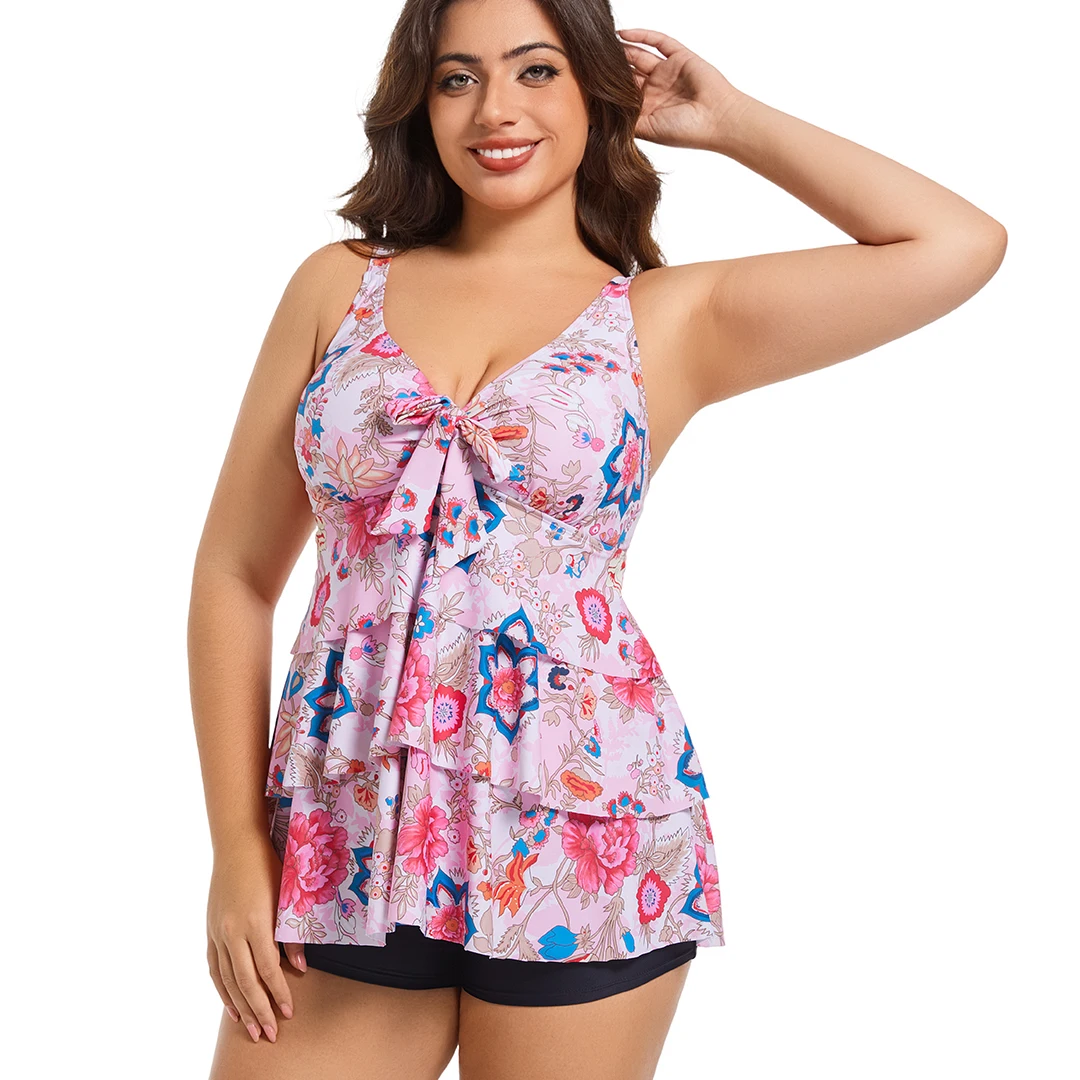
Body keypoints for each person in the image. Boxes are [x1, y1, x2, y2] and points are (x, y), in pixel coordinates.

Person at [189, 1, 1006, 1076]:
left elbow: (958, 244)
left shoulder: (668, 318)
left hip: (586, 830)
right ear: (418, 105)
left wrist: (733, 122)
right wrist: (237, 852)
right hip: (346, 830)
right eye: (457, 78)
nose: (496, 109)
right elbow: (235, 575)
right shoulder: (338, 285)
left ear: (593, 91)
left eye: (536, 71)